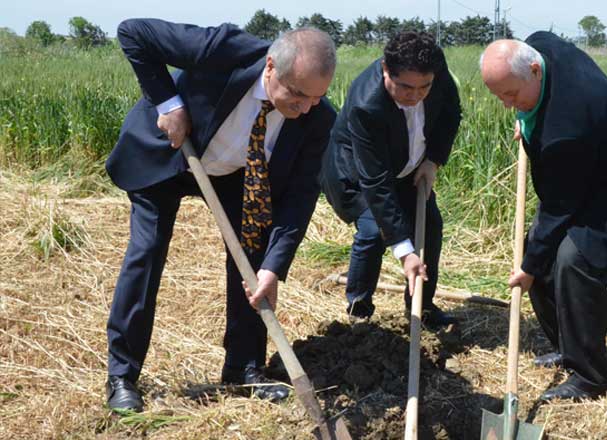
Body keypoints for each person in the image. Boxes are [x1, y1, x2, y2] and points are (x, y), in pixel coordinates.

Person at [104, 18, 337, 412]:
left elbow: (299, 198)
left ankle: (243, 369)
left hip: (234, 172)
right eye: (297, 95)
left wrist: (274, 268)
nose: (304, 107)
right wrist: (169, 104)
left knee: (251, 257)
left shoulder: (318, 118)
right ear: (269, 68)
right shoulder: (224, 48)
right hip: (172, 151)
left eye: (315, 98)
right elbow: (133, 33)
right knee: (147, 253)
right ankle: (122, 376)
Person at [480, 32, 607, 401]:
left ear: (534, 70)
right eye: (500, 96)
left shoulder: (568, 126)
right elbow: (560, 198)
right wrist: (526, 116)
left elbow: (559, 207)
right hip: (590, 173)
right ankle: (571, 348)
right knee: (539, 251)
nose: (507, 105)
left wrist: (530, 266)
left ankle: (591, 376)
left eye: (512, 95)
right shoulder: (540, 46)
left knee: (573, 259)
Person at [321, 31, 461, 328]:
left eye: (424, 87)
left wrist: (433, 160)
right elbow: (376, 182)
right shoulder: (366, 106)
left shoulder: (434, 71)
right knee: (374, 232)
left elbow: (451, 113)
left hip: (410, 164)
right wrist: (404, 251)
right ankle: (359, 310)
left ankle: (421, 307)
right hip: (358, 172)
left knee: (430, 226)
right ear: (386, 70)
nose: (416, 95)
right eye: (406, 88)